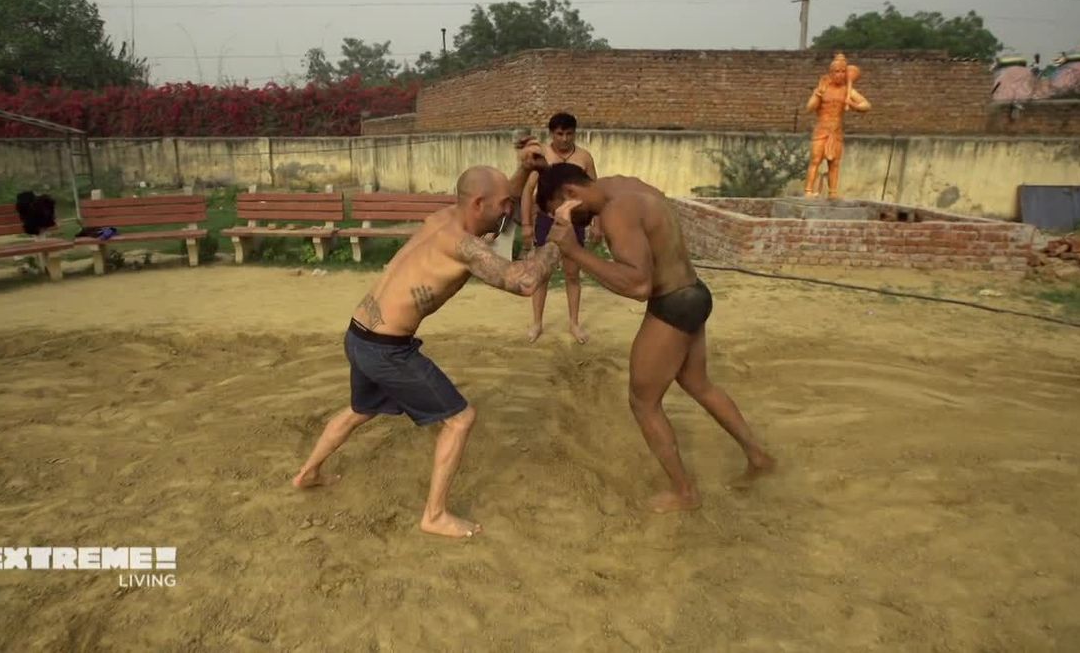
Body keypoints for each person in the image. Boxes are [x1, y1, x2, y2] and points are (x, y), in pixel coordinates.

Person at [292, 151, 561, 540]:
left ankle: (308, 473)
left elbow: (497, 212)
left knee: (359, 409)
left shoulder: (444, 218)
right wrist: (556, 242)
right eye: (504, 203)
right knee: (460, 419)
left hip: (358, 333)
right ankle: (434, 515)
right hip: (387, 350)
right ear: (478, 204)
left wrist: (523, 171)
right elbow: (521, 282)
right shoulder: (463, 245)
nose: (510, 208)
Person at [532, 150, 776, 513]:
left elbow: (638, 285)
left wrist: (574, 251)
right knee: (698, 384)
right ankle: (759, 457)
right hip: (694, 293)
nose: (567, 221)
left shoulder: (616, 212)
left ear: (569, 194)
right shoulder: (624, 188)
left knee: (643, 402)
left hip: (673, 303)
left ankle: (684, 493)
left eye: (558, 210)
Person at [520, 112, 598, 344]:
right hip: (546, 221)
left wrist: (597, 223)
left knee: (572, 274)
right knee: (542, 274)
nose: (564, 139)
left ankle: (574, 323)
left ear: (575, 133)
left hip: (575, 223)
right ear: (552, 133)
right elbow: (527, 191)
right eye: (559, 134)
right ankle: (537, 323)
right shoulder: (541, 156)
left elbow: (596, 192)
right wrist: (526, 224)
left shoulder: (584, 157)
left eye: (569, 134)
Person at [804, 53, 871, 199]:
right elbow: (809, 108)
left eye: (843, 71)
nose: (840, 74)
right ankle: (808, 190)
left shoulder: (848, 90)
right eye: (837, 71)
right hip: (822, 129)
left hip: (836, 130)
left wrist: (852, 104)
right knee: (815, 160)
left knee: (834, 163)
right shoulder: (823, 88)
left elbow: (866, 105)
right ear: (830, 73)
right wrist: (818, 94)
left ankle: (833, 192)